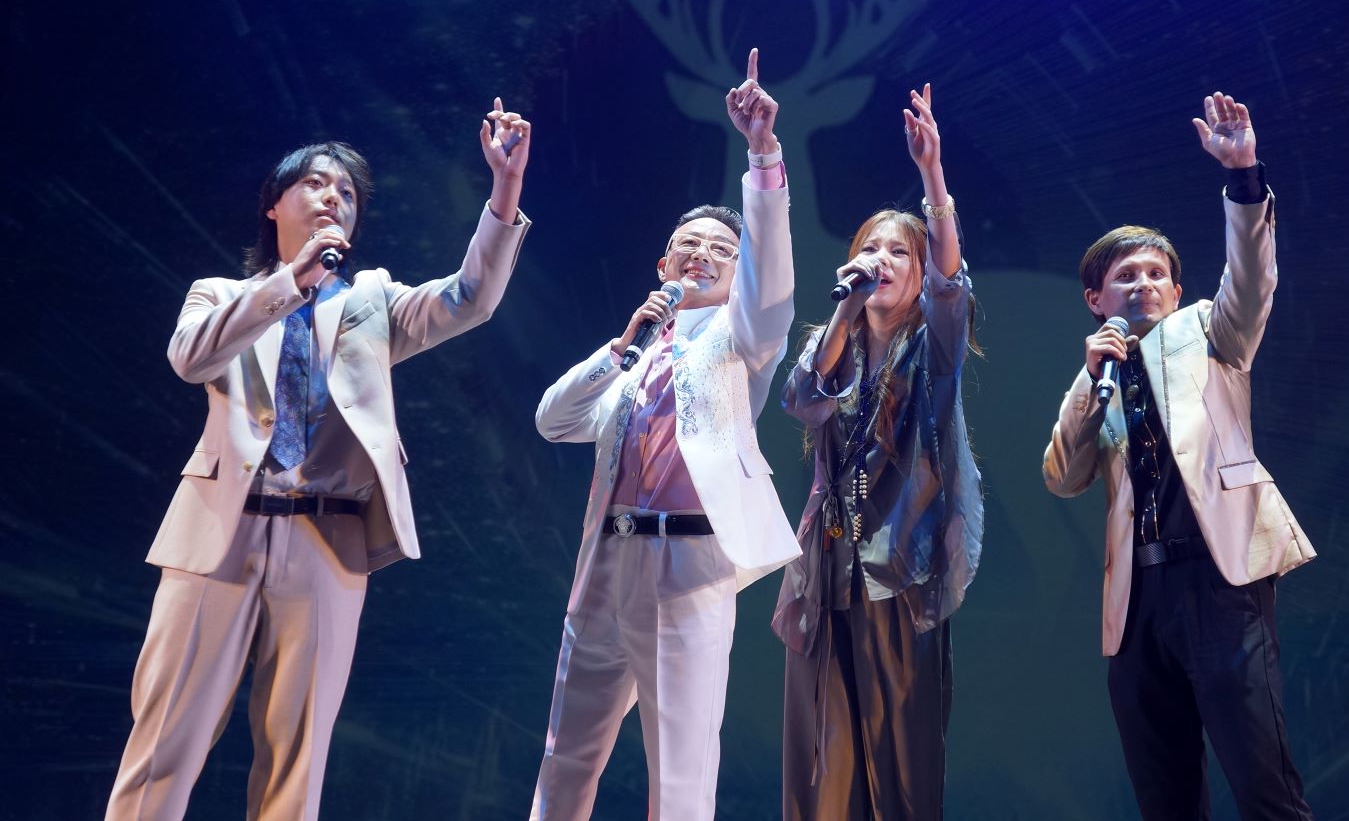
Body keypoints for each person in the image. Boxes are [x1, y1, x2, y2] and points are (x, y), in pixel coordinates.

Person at [105, 100, 534, 820]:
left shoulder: (375, 301)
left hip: (327, 540)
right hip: (218, 531)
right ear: (274, 204)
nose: (334, 197)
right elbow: (191, 359)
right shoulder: (222, 294)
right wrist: (289, 285)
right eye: (315, 182)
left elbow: (469, 299)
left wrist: (505, 189)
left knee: (297, 759)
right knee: (164, 741)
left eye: (348, 193)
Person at [529, 49, 799, 821]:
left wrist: (763, 157)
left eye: (722, 249)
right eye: (689, 245)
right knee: (566, 753)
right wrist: (620, 346)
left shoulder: (743, 339)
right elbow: (554, 420)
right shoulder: (635, 355)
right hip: (607, 559)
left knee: (679, 769)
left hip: (689, 561)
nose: (703, 255)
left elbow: (772, 287)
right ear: (663, 263)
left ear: (740, 273)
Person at [1042, 91, 1316, 820]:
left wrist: (1243, 176)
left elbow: (1252, 280)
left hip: (1219, 579)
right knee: (1165, 798)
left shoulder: (1211, 333)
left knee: (1263, 784)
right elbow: (1062, 477)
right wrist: (1090, 383)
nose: (1144, 284)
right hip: (1138, 599)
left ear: (1176, 289)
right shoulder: (1096, 373)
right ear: (1095, 298)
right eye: (1125, 276)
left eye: (1155, 274)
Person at [773, 83, 983, 820]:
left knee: (900, 764)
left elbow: (953, 285)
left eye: (900, 252)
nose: (882, 260)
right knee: (820, 762)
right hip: (824, 569)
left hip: (902, 568)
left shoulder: (935, 344)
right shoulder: (832, 339)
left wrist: (932, 174)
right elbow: (802, 398)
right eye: (870, 248)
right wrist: (845, 308)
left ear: (920, 272)